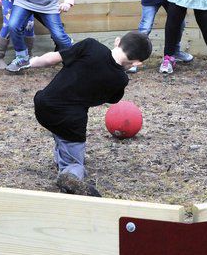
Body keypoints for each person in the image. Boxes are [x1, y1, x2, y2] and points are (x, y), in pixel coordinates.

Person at [30, 31, 153, 196]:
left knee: (58, 128)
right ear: (137, 62)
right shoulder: (120, 80)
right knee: (75, 162)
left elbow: (52, 59)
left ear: (117, 41)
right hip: (70, 121)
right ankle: (69, 174)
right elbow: (111, 99)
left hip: (44, 104)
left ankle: (61, 158)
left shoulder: (91, 46)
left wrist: (35, 61)